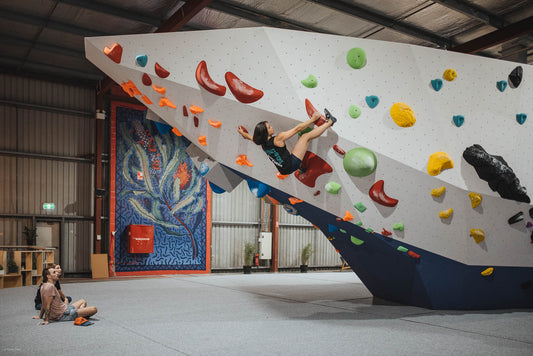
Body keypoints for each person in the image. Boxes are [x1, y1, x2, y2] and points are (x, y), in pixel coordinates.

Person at [237, 110, 335, 175]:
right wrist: (313, 119)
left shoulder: (261, 142)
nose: (272, 127)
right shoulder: (278, 138)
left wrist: (243, 133)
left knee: (287, 152)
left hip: (283, 170)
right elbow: (297, 129)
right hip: (291, 164)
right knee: (305, 137)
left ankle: (301, 168)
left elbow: (251, 138)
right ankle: (330, 121)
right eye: (269, 127)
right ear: (266, 133)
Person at [32, 267, 97, 325]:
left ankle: (79, 313)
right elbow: (47, 305)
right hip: (63, 314)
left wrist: (40, 316)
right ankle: (79, 314)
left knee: (83, 301)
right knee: (94, 309)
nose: (57, 273)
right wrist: (46, 320)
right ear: (48, 276)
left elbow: (43, 303)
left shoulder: (43, 285)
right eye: (54, 272)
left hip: (65, 308)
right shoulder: (50, 287)